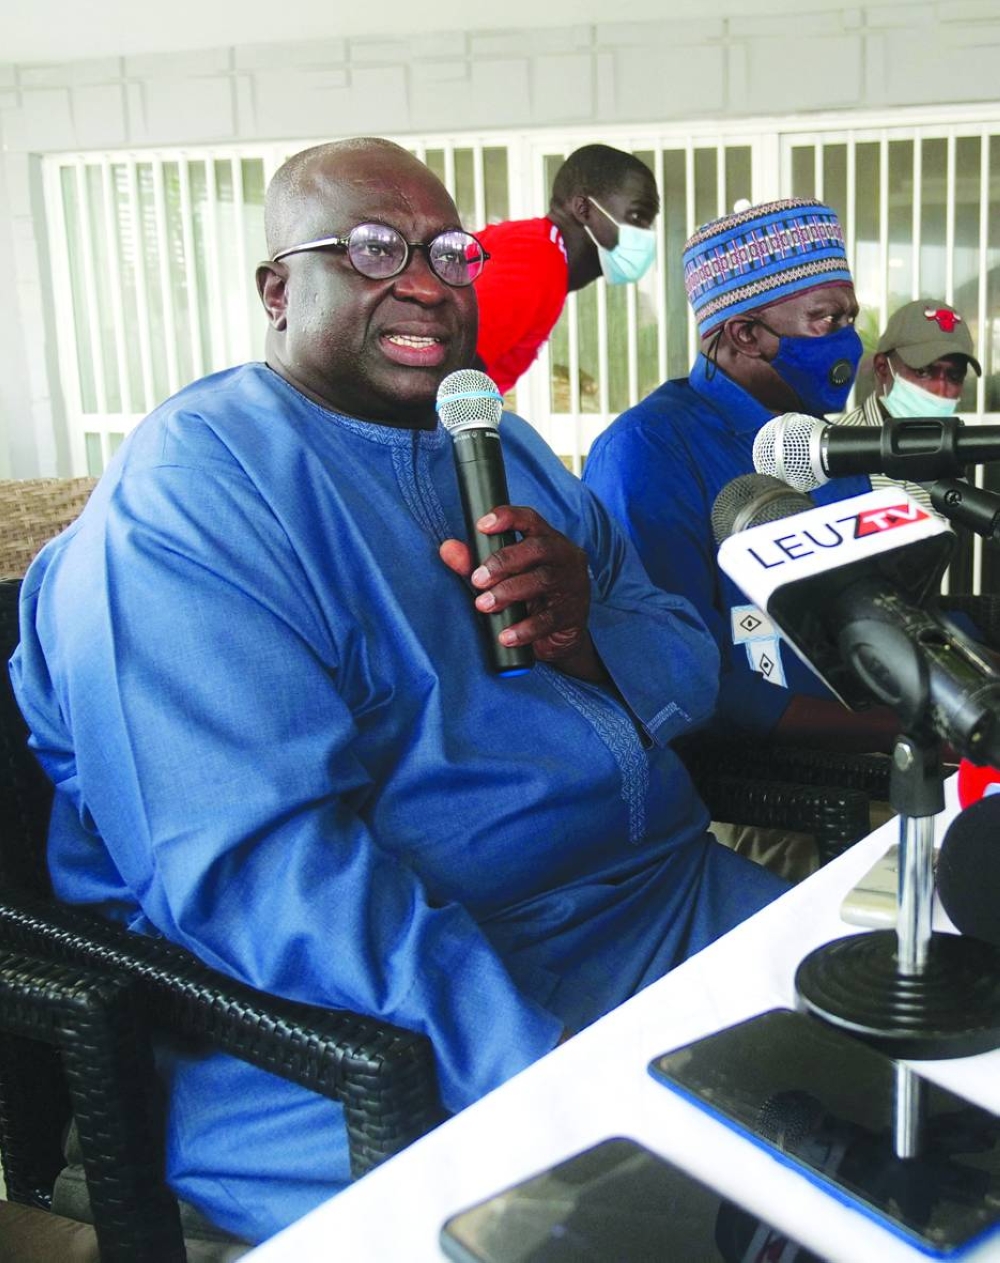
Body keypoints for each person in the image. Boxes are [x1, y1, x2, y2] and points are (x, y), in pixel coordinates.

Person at [9, 138, 784, 1246]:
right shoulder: (192, 504)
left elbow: (679, 650)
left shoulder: (498, 439)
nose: (425, 282)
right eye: (371, 249)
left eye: (450, 253)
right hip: (376, 1029)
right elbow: (263, 880)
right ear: (278, 290)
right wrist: (546, 1077)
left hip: (659, 913)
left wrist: (584, 639)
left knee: (905, 1096)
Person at [583, 199, 906, 879]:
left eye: (849, 317)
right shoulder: (650, 450)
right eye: (826, 319)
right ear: (745, 333)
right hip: (760, 797)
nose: (849, 339)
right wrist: (897, 728)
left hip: (873, 749)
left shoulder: (814, 442)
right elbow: (691, 685)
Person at [473, 144, 660, 394]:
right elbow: (448, 369)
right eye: (637, 217)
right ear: (584, 209)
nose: (645, 236)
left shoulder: (540, 249)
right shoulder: (536, 261)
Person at [838, 298, 982, 512]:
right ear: (882, 369)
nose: (940, 390)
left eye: (954, 376)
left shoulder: (949, 449)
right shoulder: (842, 452)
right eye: (923, 371)